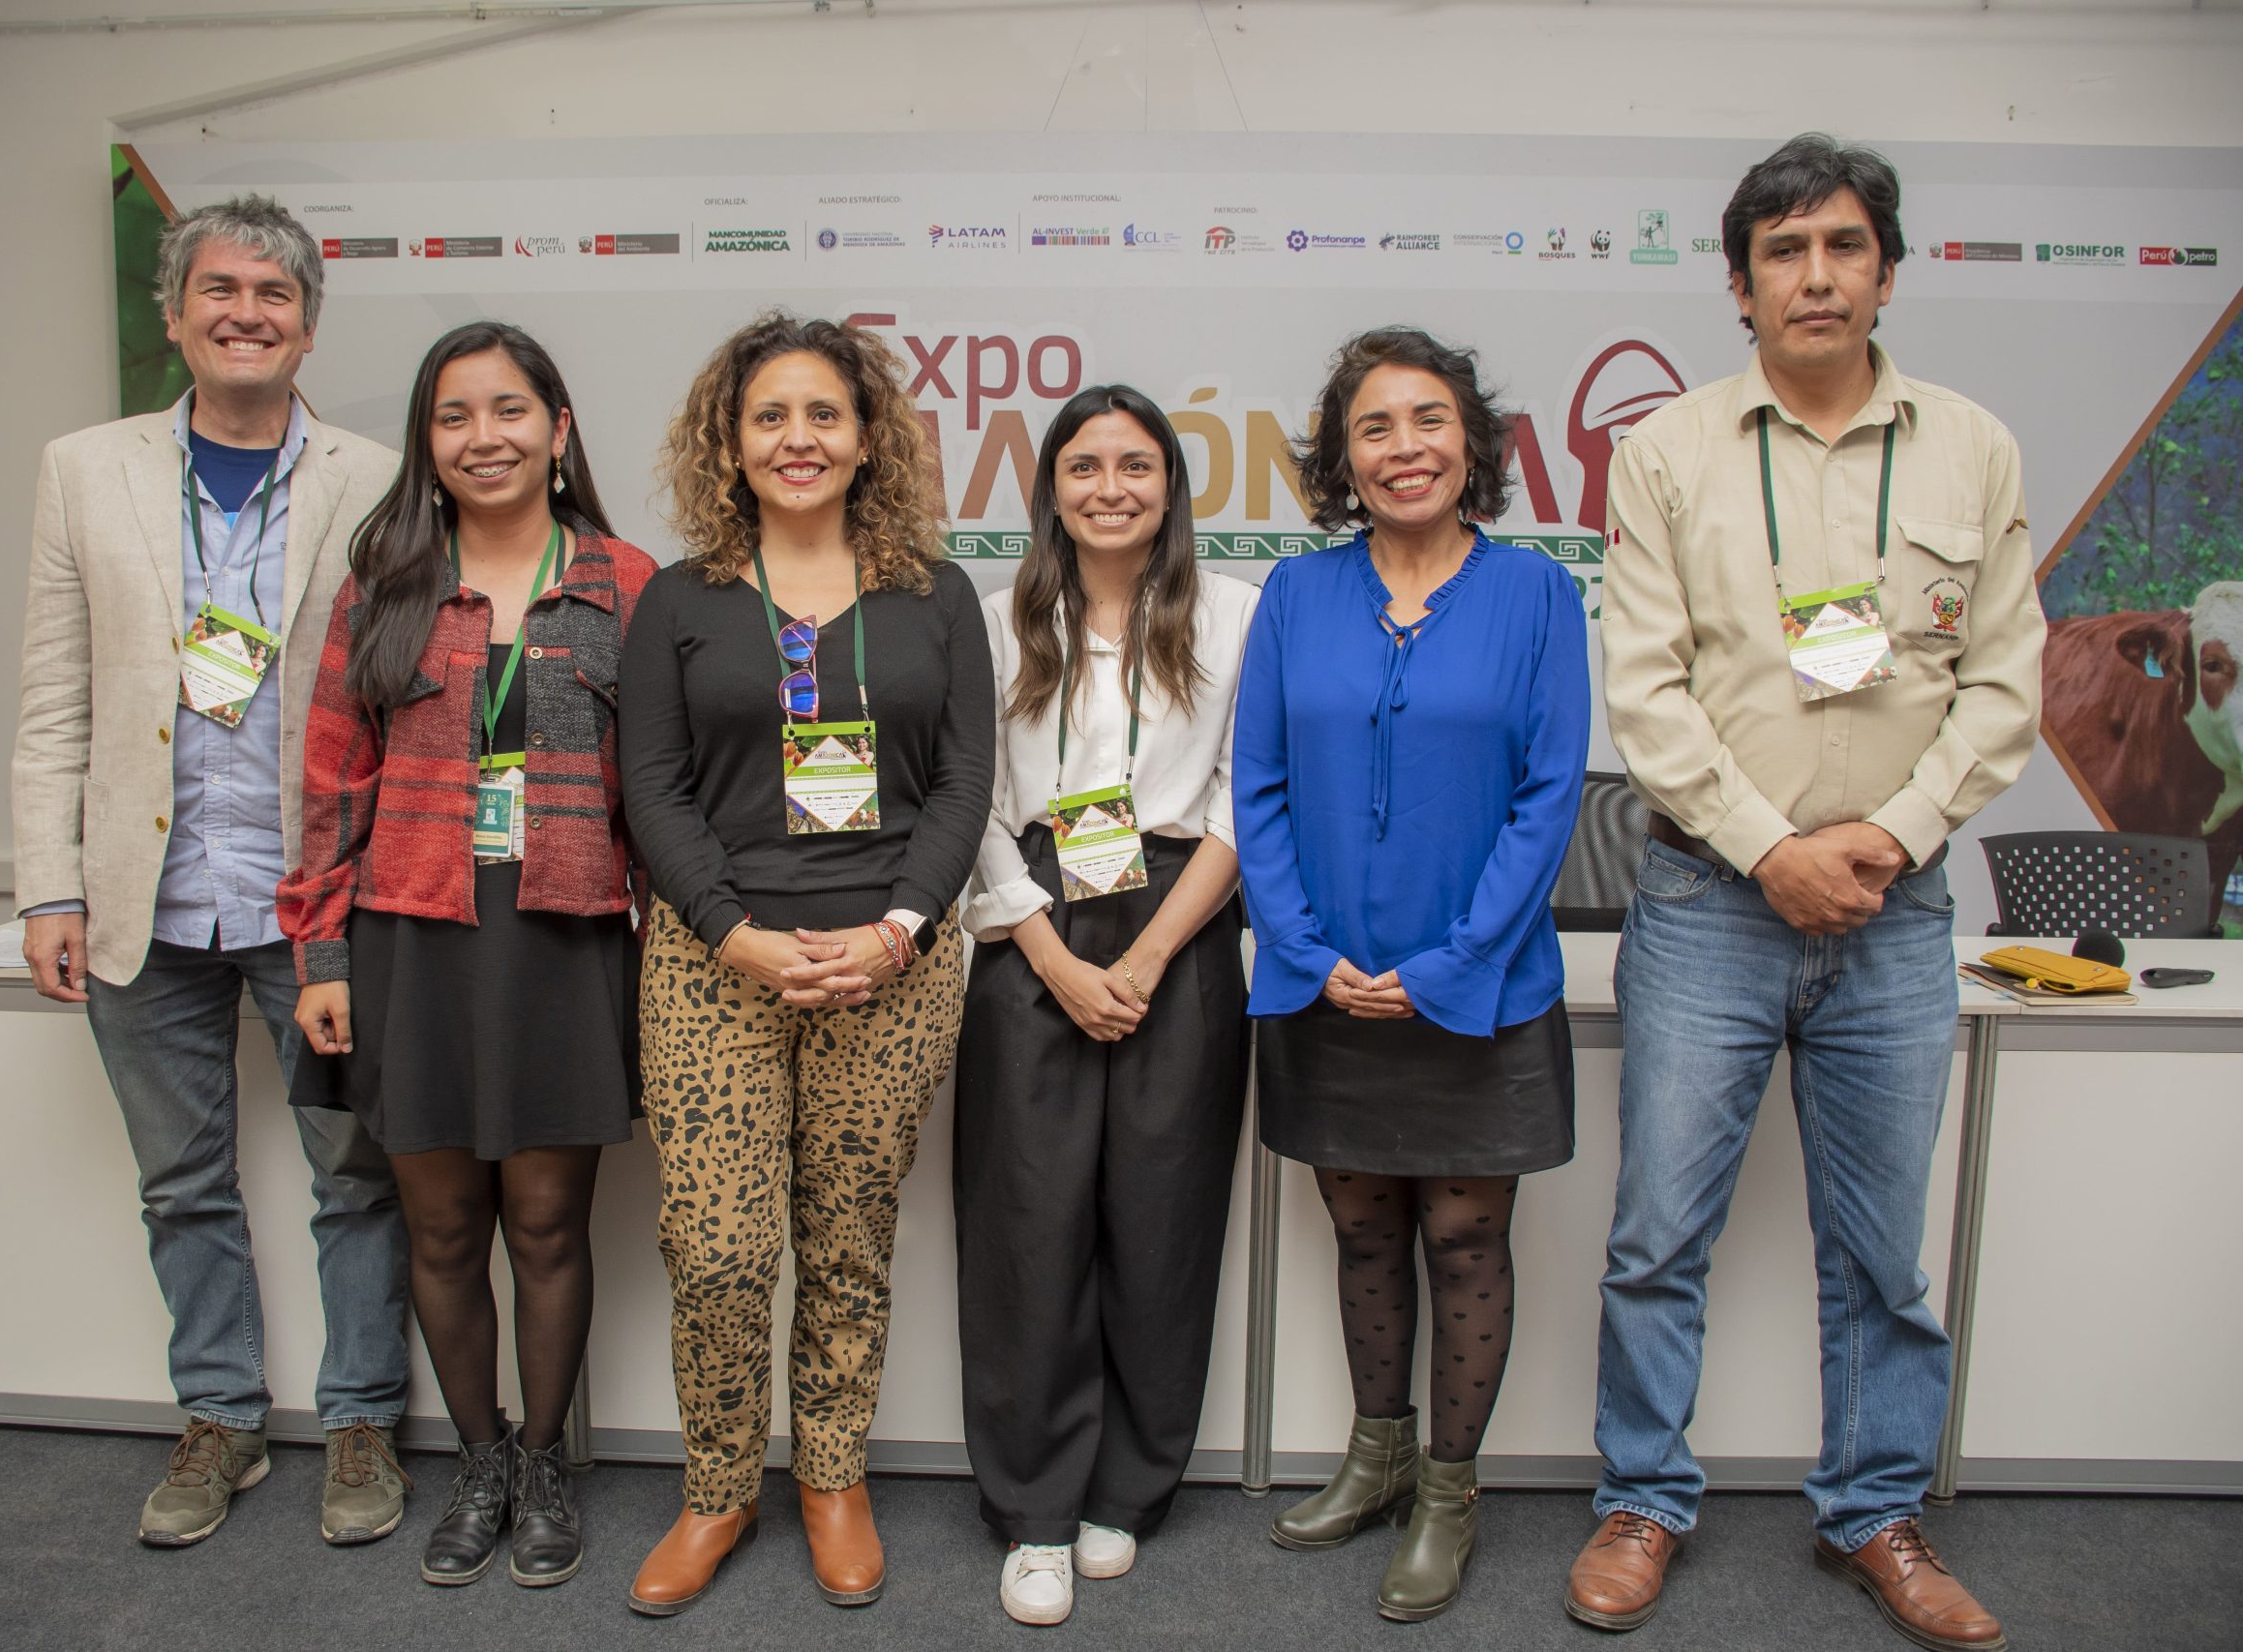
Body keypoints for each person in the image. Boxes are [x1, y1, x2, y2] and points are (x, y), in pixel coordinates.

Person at [1574, 134, 2039, 1650]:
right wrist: (1772, 845)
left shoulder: (1972, 444)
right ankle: (1642, 1497)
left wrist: (1889, 837)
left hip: (1899, 913)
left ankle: (1877, 1512)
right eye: (1785, 250)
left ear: (1887, 271)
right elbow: (1646, 693)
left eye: (1844, 246)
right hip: (1713, 901)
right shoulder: (1669, 453)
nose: (1817, 274)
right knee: (1656, 1233)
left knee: (1881, 1251)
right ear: (1740, 283)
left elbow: (2004, 686)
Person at [11, 195, 409, 1549]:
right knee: (180, 1182)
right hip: (147, 894)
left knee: (355, 1170)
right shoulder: (84, 469)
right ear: (174, 314)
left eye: (275, 295)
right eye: (220, 290)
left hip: (314, 898)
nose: (247, 312)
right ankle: (223, 1415)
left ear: (308, 324)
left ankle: (362, 1415)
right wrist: (48, 884)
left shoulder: (374, 473)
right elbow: (54, 696)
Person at [619, 311, 992, 1616]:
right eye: (771, 414)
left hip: (888, 961)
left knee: (847, 1234)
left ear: (867, 434)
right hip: (714, 960)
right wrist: (736, 931)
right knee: (718, 1247)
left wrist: (900, 927)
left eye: (824, 413)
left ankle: (833, 1476)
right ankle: (718, 1487)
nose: (798, 437)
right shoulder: (681, 599)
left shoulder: (937, 595)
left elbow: (961, 785)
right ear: (730, 439)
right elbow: (653, 793)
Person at [278, 321, 654, 1588]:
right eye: (453, 416)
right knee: (441, 1224)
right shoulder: (382, 584)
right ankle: (479, 1453)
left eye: (508, 409)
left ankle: (546, 1458)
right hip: (414, 938)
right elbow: (332, 781)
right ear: (427, 445)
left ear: (556, 428)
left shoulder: (625, 581)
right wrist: (321, 955)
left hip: (562, 934)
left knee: (547, 1220)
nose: (482, 436)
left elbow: (660, 788)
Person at [1235, 327, 1589, 1623]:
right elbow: (1257, 785)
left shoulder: (1539, 594)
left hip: (1481, 987)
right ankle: (1373, 1458)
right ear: (1345, 456)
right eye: (1375, 427)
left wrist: (1449, 961)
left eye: (1428, 420)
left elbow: (1552, 794)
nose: (1404, 448)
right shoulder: (1296, 594)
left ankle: (1448, 1492)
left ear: (1472, 441)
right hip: (1322, 985)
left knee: (1465, 1231)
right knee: (1362, 1223)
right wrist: (1310, 951)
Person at [954, 386, 1258, 1626]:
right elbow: (963, 802)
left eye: (1136, 465)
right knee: (1026, 1229)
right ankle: (1031, 1506)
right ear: (1051, 489)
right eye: (1084, 467)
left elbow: (1249, 796)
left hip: (1178, 924)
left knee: (1162, 1217)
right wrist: (1055, 956)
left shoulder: (1237, 617)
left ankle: (1122, 1491)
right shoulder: (989, 620)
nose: (1110, 488)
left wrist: (1146, 958)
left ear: (1171, 486)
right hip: (1031, 924)